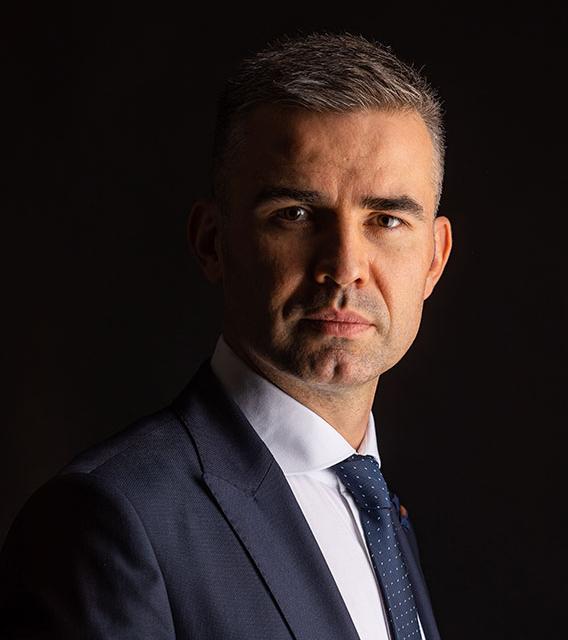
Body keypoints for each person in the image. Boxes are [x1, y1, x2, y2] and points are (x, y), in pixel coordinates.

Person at [0, 33, 452, 639]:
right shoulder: (109, 520)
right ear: (211, 241)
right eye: (295, 215)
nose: (345, 266)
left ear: (433, 259)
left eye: (387, 220)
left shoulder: (377, 508)